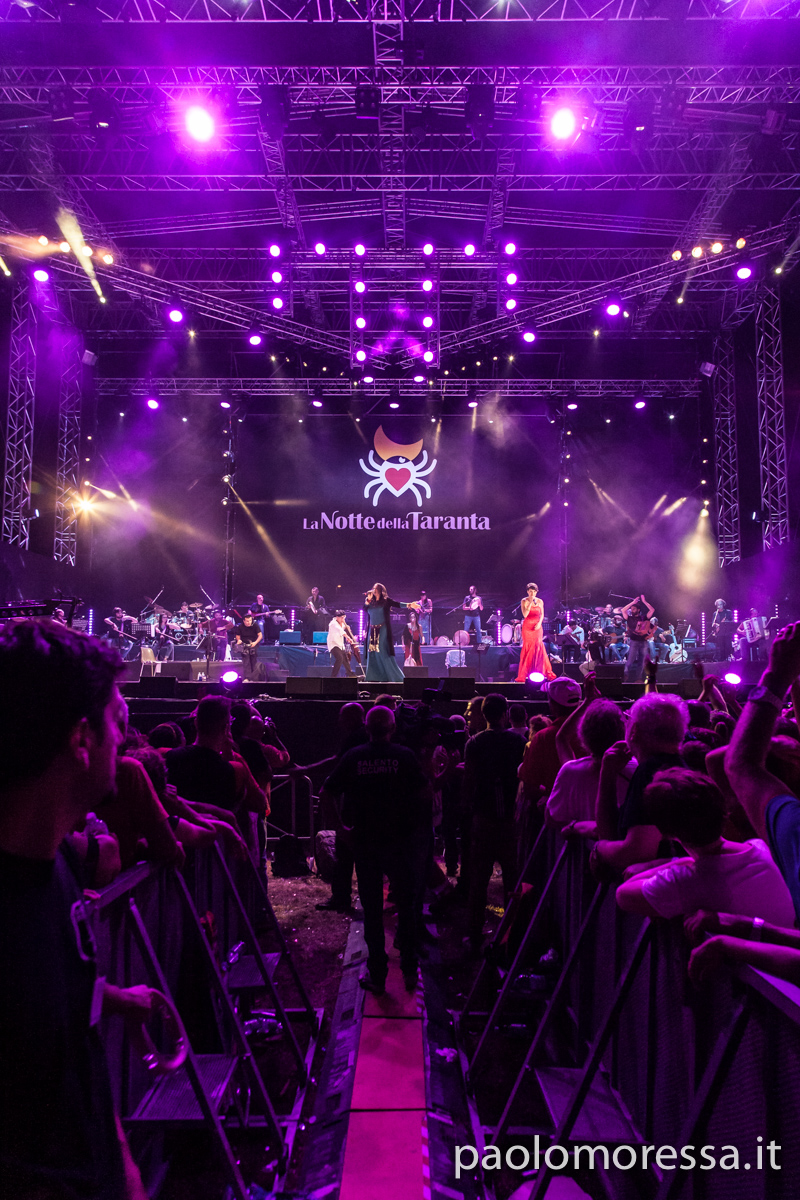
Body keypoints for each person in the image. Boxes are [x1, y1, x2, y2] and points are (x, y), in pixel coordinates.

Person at [0, 619, 150, 1200]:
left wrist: (121, 1162)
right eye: (118, 722)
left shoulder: (56, 860)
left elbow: (74, 1033)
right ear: (81, 739)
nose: (125, 741)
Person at [324, 706, 431, 992]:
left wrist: (341, 829)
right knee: (407, 906)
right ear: (393, 728)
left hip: (365, 842)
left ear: (366, 728)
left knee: (372, 910)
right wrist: (413, 822)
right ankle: (410, 970)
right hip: (400, 842)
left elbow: (326, 792)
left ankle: (378, 974)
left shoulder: (354, 756)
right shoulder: (404, 756)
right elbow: (425, 792)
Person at [615, 768, 795, 925]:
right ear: (721, 806)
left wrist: (682, 862)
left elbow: (623, 894)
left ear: (665, 832)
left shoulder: (689, 881)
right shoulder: (760, 847)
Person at [591, 692, 688, 875]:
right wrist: (608, 774)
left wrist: (599, 848)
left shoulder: (651, 771)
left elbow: (636, 852)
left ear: (634, 730)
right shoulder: (679, 765)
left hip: (657, 889)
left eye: (628, 719)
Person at [463, 693, 526, 950]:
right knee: (512, 879)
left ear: (484, 714)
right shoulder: (518, 741)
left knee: (479, 879)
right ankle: (512, 936)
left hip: (484, 818)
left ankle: (474, 935)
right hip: (511, 819)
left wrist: (468, 811)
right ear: (505, 714)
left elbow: (469, 781)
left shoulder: (474, 743)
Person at [547, 698, 627, 829]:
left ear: (583, 734)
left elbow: (552, 817)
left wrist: (576, 827)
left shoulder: (571, 771)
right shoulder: (639, 769)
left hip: (582, 841)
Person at [363, 583, 418, 683]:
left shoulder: (386, 601)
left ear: (380, 590)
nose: (374, 590)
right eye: (373, 588)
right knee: (372, 653)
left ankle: (394, 676)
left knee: (382, 650)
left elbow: (398, 604)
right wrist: (368, 600)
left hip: (382, 628)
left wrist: (409, 605)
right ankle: (374, 676)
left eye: (376, 589)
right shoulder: (370, 601)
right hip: (372, 630)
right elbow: (364, 608)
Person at [515, 583, 555, 682]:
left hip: (537, 626)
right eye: (530, 591)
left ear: (536, 592)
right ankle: (526, 672)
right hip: (527, 627)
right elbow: (525, 615)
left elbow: (542, 614)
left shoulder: (540, 601)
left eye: (534, 591)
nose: (532, 593)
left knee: (538, 646)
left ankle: (539, 671)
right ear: (527, 592)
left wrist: (539, 623)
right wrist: (530, 603)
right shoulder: (524, 601)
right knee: (528, 647)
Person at [620, 593, 655, 682]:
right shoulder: (629, 618)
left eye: (634, 609)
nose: (632, 610)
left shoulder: (644, 618)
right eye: (631, 609)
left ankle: (638, 678)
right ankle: (625, 676)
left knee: (642, 661)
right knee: (630, 660)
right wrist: (633, 603)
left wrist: (644, 601)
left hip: (643, 642)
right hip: (634, 641)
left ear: (638, 610)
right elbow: (623, 610)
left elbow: (652, 610)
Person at [328, 611, 358, 678]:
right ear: (337, 617)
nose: (343, 619)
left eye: (344, 618)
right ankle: (333, 676)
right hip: (333, 644)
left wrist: (347, 627)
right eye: (342, 618)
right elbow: (340, 630)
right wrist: (348, 637)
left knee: (345, 659)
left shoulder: (341, 623)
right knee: (340, 658)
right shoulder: (333, 623)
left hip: (340, 644)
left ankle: (350, 674)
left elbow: (343, 628)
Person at [234, 611, 262, 681]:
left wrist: (255, 643)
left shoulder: (255, 625)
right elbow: (238, 635)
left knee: (253, 661)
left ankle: (254, 678)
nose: (249, 622)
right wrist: (239, 640)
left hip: (253, 643)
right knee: (246, 662)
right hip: (244, 644)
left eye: (250, 620)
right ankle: (247, 678)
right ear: (244, 621)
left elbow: (260, 635)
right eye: (247, 621)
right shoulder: (240, 626)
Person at [710, 598, 734, 662]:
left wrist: (726, 622)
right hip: (719, 632)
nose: (719, 606)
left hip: (727, 632)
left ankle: (729, 658)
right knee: (721, 647)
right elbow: (713, 623)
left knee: (728, 646)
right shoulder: (715, 613)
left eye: (720, 604)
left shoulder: (728, 612)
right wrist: (716, 625)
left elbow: (732, 621)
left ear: (723, 605)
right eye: (718, 605)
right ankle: (722, 660)